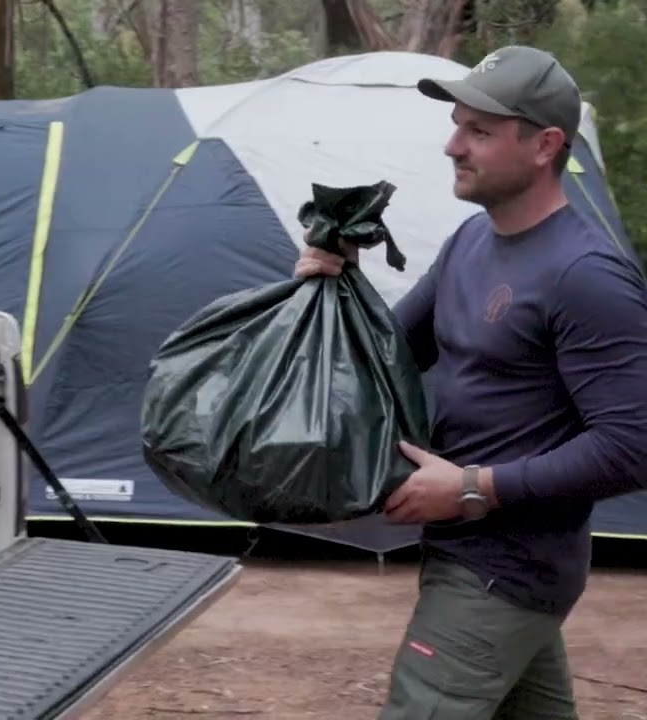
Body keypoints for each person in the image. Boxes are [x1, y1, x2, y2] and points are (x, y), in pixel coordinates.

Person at [295, 45, 647, 719]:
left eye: (478, 131)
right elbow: (387, 354)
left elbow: (634, 444)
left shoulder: (587, 276)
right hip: (483, 558)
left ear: (545, 145)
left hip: (505, 567)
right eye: (458, 126)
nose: (453, 146)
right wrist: (338, 283)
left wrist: (471, 489)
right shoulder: (470, 243)